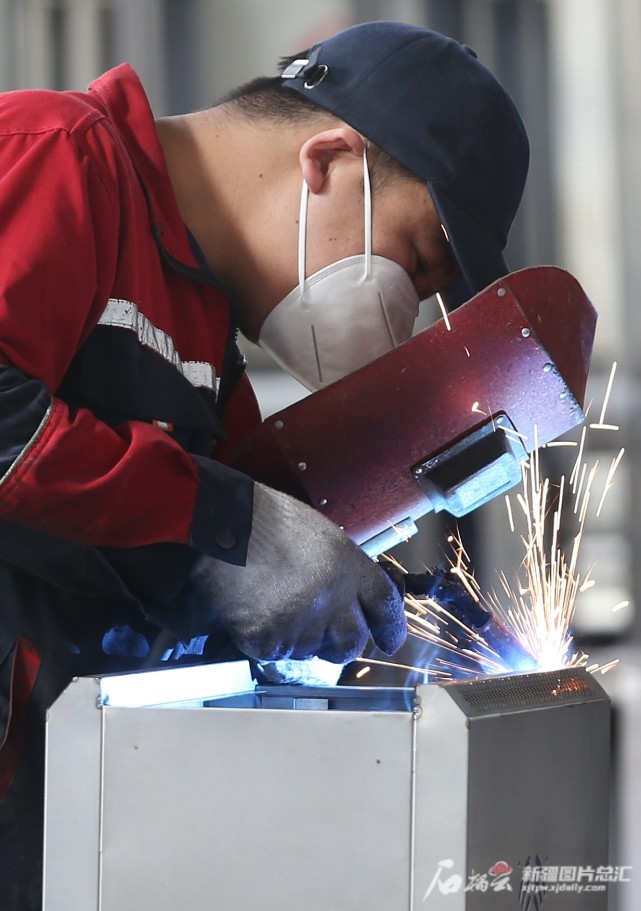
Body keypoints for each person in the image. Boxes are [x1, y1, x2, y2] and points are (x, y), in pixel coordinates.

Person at [0, 19, 529, 909]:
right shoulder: (51, 156)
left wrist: (386, 610)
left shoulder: (206, 346)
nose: (406, 312)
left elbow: (224, 552)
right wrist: (219, 525)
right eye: (415, 260)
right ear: (326, 160)